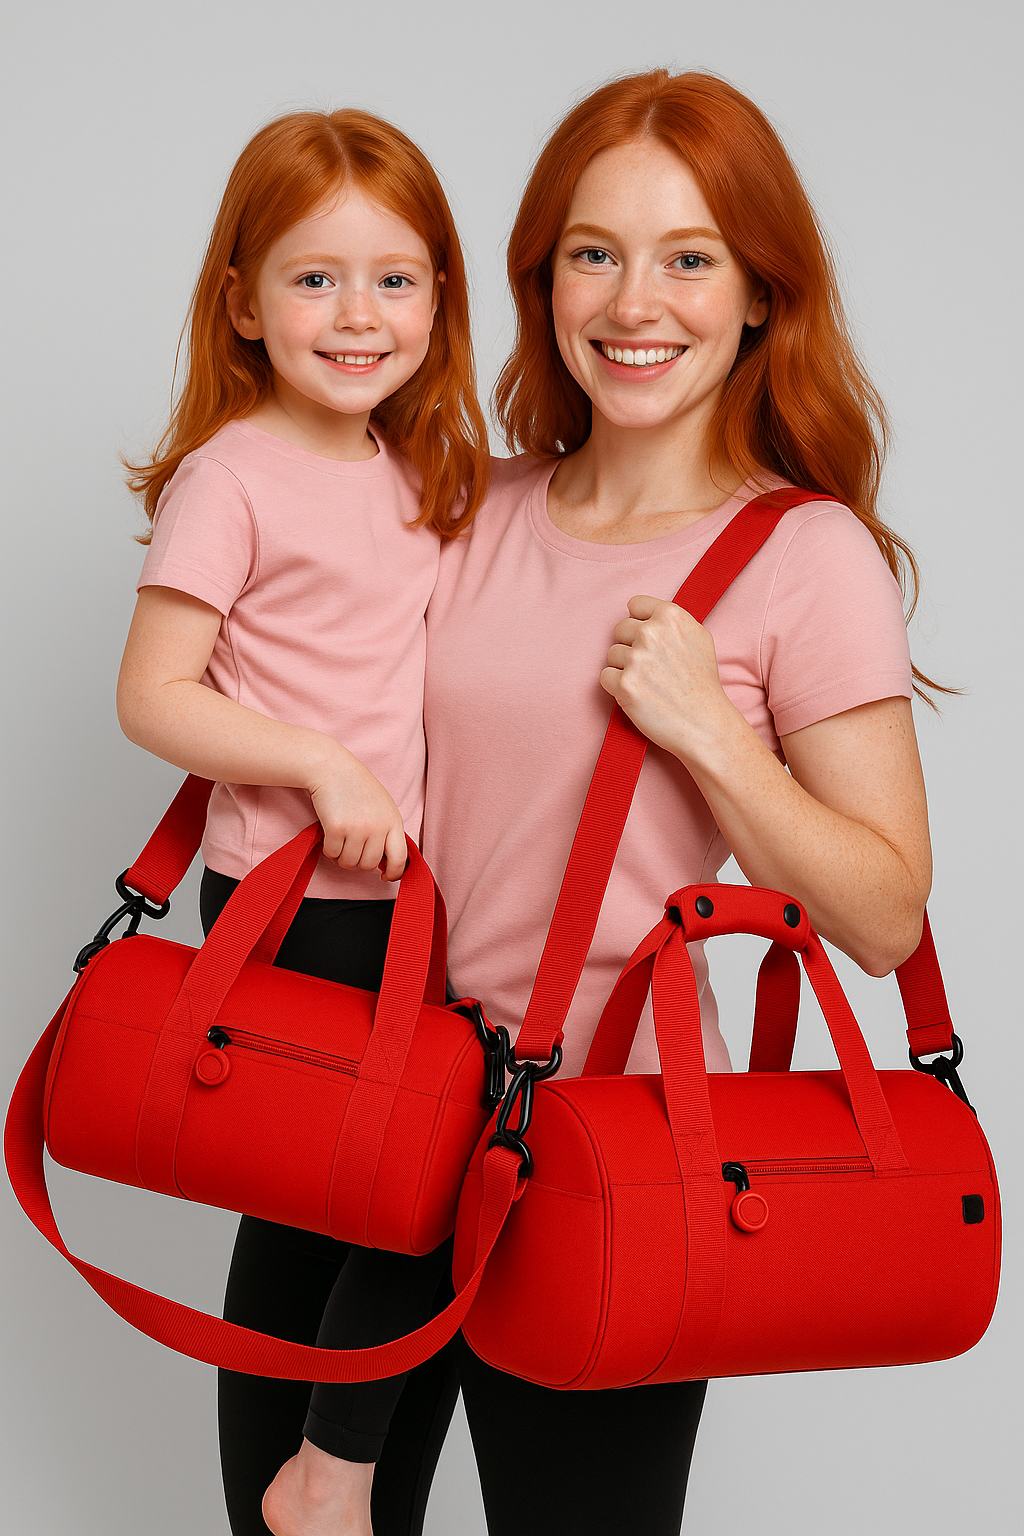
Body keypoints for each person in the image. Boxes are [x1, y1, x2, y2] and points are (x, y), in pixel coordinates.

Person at [421, 69, 937, 1535]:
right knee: (289, 1509)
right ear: (544, 279)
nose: (634, 301)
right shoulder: (473, 504)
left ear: (763, 293)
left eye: (689, 256)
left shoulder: (805, 555)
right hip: (385, 1116)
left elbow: (887, 914)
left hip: (608, 1158)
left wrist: (716, 733)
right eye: (594, 252)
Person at [115, 109, 488, 1536]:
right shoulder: (235, 474)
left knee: (322, 1209)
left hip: (418, 902)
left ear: (441, 297)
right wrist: (323, 770)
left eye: (395, 278)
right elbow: (153, 695)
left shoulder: (420, 469)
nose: (358, 314)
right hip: (297, 904)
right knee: (422, 1181)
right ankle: (328, 1480)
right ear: (244, 304)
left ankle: (301, 1492)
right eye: (315, 278)